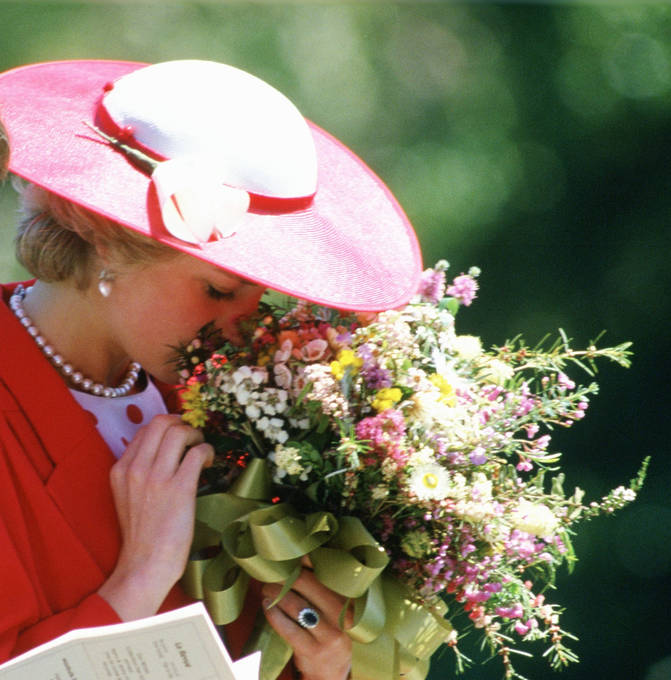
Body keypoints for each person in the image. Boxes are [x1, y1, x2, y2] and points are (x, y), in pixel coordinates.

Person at [0, 59, 423, 679]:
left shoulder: (250, 413)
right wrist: (139, 582)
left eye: (261, 296)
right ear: (102, 234)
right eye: (220, 292)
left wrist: (325, 666)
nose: (249, 328)